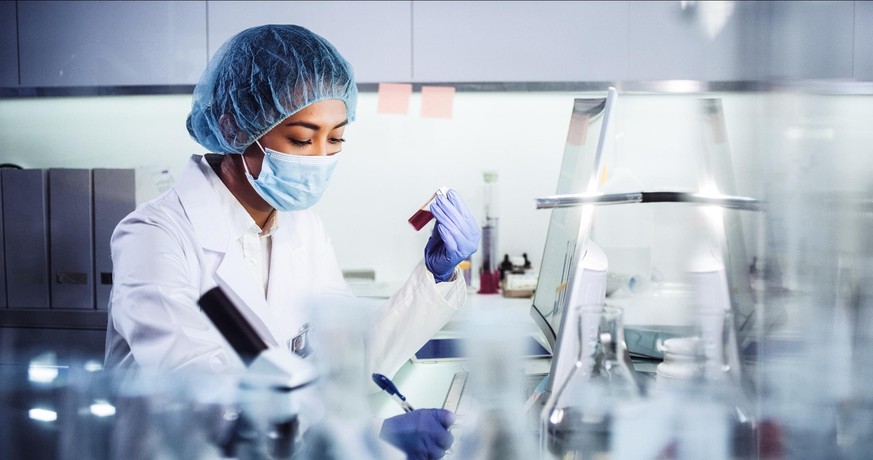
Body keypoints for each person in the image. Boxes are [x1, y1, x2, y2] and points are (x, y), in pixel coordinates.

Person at [103, 24, 480, 459]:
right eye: (302, 139)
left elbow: (345, 364)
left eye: (336, 138)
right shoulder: (154, 236)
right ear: (234, 127)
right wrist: (371, 433)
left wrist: (437, 274)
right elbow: (203, 393)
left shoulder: (302, 227)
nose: (321, 158)